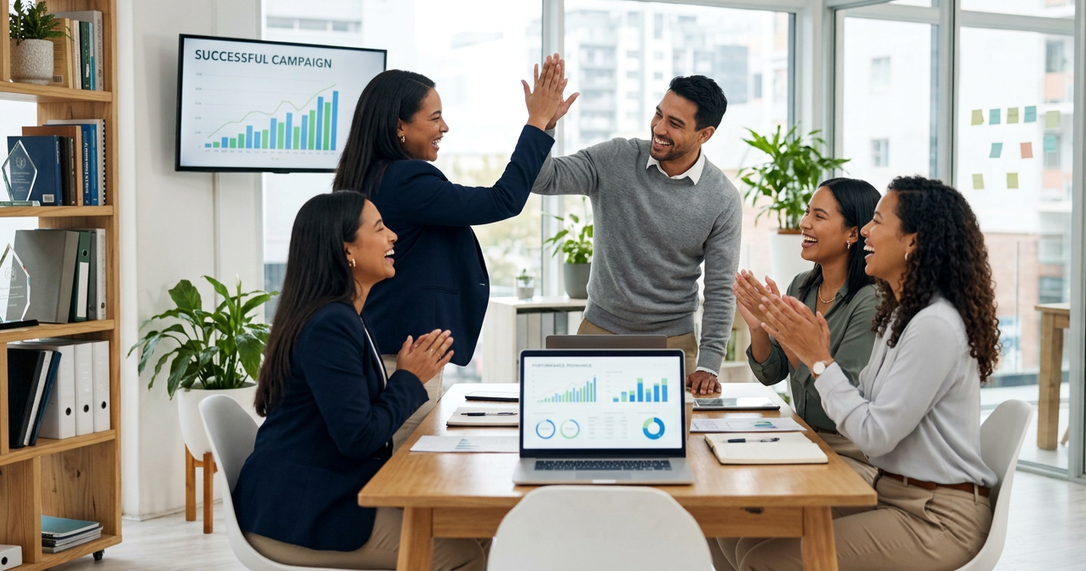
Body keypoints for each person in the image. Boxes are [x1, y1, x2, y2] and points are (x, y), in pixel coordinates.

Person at [718, 176, 1001, 570]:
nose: (866, 230)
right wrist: (796, 343)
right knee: (737, 533)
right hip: (892, 495)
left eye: (878, 222)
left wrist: (818, 358)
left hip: (936, 517)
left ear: (913, 241)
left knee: (764, 561)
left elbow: (873, 436)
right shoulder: (900, 317)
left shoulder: (934, 325)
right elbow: (862, 406)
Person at [234, 191, 485, 570]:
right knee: (462, 557)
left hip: (317, 493)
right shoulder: (330, 325)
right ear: (346, 250)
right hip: (299, 513)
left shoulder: (339, 314)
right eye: (380, 229)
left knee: (472, 527)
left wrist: (408, 376)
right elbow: (358, 437)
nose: (393, 236)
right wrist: (409, 378)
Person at [332, 55, 578, 397]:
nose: (444, 127)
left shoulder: (367, 175)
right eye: (435, 118)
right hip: (405, 357)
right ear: (400, 126)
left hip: (385, 345)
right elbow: (502, 200)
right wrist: (536, 123)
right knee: (407, 435)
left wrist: (542, 123)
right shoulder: (406, 179)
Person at [531, 75, 741, 395]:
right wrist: (543, 124)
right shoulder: (617, 157)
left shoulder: (722, 198)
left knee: (672, 429)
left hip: (673, 343)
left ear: (705, 134)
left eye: (674, 123)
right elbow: (541, 180)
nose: (659, 128)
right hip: (598, 332)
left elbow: (720, 290)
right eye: (658, 114)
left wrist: (708, 365)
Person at [733, 177, 880, 468]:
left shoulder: (871, 300)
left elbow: (841, 398)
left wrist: (788, 334)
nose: (804, 223)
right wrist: (759, 326)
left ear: (853, 233)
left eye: (819, 216)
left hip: (848, 451)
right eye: (807, 212)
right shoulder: (801, 286)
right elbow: (771, 374)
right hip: (803, 436)